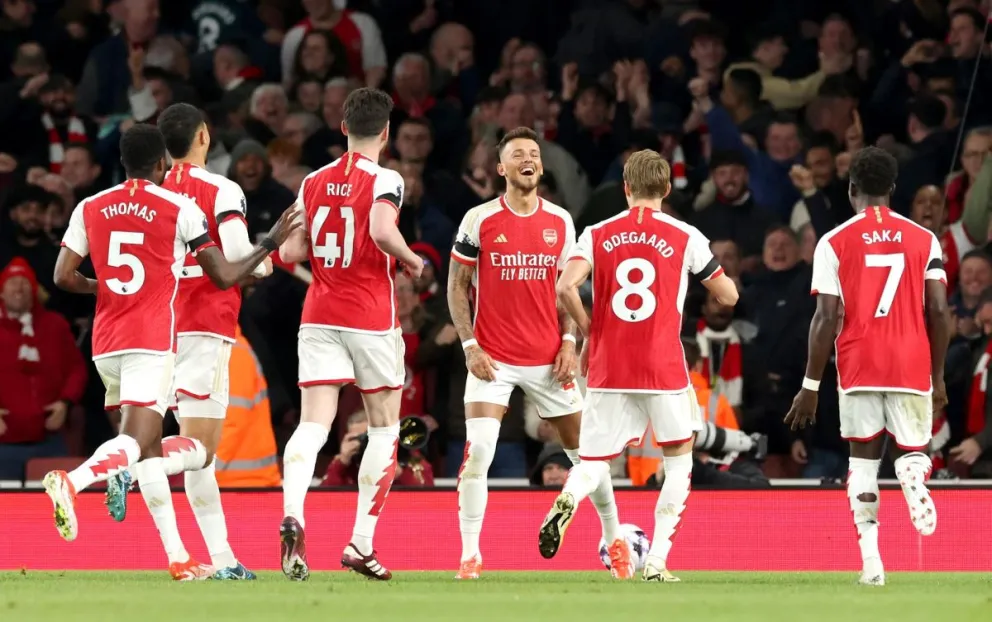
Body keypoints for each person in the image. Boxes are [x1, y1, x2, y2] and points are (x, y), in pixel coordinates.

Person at [41, 124, 297, 556]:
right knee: (154, 445)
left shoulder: (90, 205)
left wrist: (102, 287)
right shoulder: (179, 206)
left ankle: (182, 558)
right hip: (154, 337)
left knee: (146, 444)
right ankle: (76, 480)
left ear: (122, 162)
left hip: (106, 340)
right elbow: (227, 274)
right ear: (162, 162)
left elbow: (62, 276)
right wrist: (271, 242)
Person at [549, 149, 738, 582]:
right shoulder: (684, 234)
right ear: (667, 189)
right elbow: (728, 296)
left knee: (594, 460)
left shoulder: (597, 232)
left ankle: (568, 497)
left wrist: (589, 328)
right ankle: (657, 561)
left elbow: (565, 286)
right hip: (663, 364)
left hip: (609, 362)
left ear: (626, 189)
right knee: (679, 462)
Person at [104, 104, 274, 581]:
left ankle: (218, 559)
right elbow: (240, 256)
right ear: (205, 134)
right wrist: (264, 263)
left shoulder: (151, 193)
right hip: (205, 326)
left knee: (166, 443)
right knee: (201, 448)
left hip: (152, 330)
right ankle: (128, 462)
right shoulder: (221, 189)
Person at [447, 126, 620, 581]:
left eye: (534, 154)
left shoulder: (561, 220)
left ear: (541, 167)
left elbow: (568, 290)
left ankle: (614, 542)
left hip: (549, 360)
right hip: (493, 359)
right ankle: (470, 555)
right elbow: (456, 287)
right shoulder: (478, 219)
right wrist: (469, 345)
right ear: (500, 168)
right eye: (518, 154)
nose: (528, 159)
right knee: (480, 449)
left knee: (590, 456)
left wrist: (569, 342)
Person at [276, 87, 423, 582]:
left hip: (318, 314)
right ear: (385, 132)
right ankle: (361, 542)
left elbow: (293, 250)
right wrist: (410, 257)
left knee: (314, 425)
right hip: (369, 316)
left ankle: (294, 512)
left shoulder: (313, 180)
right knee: (384, 428)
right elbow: (382, 231)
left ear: (343, 128)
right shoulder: (386, 178)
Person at [784, 146, 950, 587]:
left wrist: (810, 384)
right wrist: (938, 377)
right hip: (910, 359)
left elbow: (824, 318)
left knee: (861, 463)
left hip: (858, 362)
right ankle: (912, 474)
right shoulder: (924, 238)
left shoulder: (832, 242)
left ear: (852, 188)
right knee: (913, 451)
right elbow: (938, 311)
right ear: (892, 189)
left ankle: (872, 565)